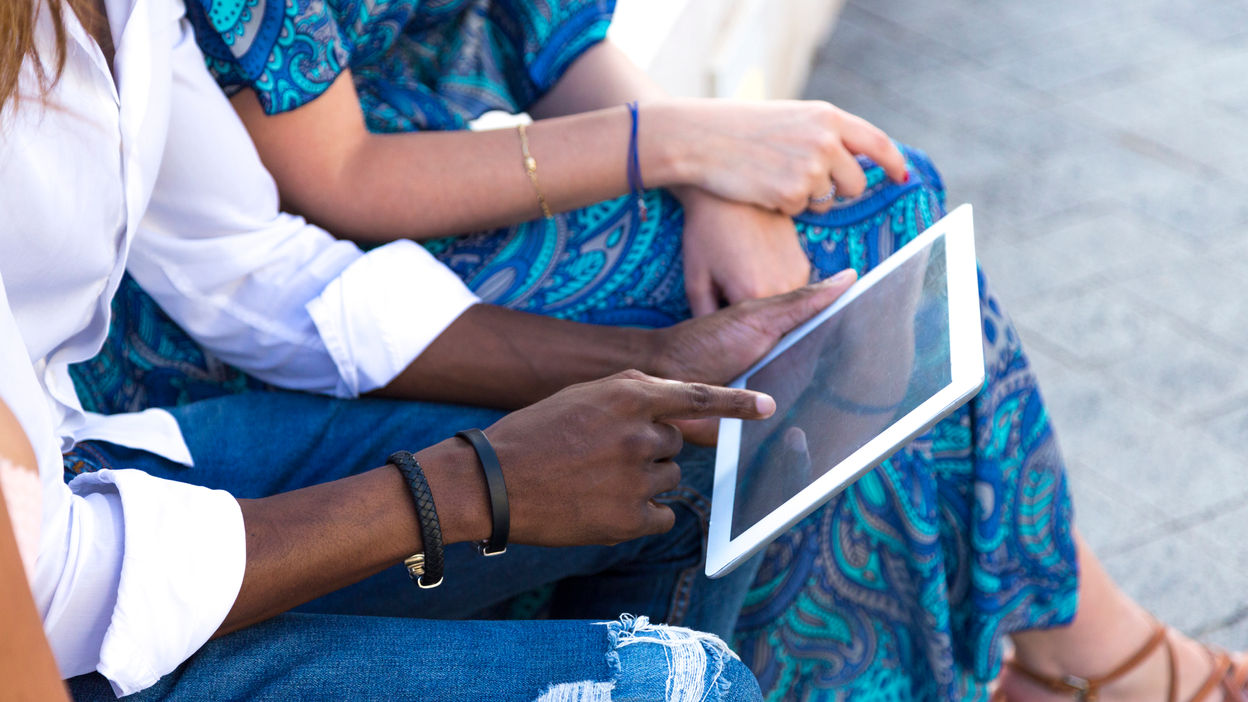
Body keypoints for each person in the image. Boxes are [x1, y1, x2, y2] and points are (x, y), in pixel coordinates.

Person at [61, 1, 1248, 701]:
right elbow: (338, 185)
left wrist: (713, 170)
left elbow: (559, 30)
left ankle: (1037, 653)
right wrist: (677, 146)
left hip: (481, 182)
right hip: (327, 266)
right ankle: (1085, 654)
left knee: (864, 226)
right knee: (857, 260)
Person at [0, 0, 881, 698]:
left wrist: (648, 362)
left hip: (87, 463)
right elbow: (47, 598)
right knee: (694, 687)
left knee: (693, 458)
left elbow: (244, 267)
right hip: (60, 624)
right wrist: (466, 486)